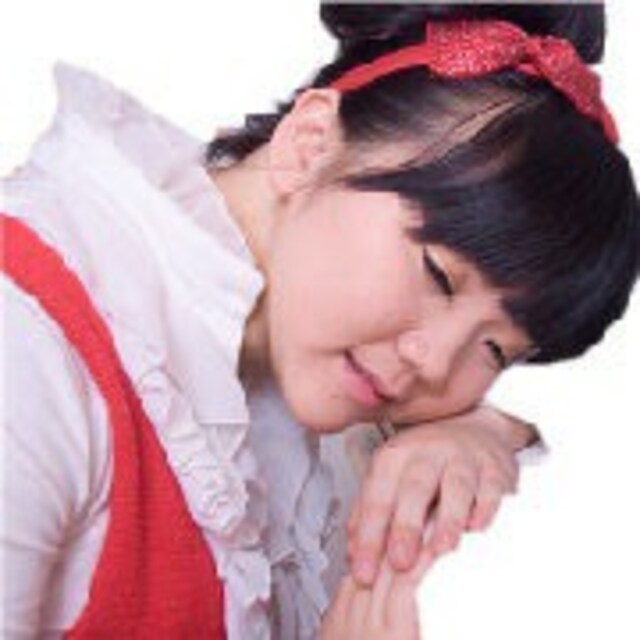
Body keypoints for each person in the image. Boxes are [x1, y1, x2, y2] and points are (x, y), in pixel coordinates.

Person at [2, 3, 639, 640]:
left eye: (496, 351)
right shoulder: (29, 342)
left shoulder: (302, 372)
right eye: (440, 275)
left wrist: (479, 432)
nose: (437, 365)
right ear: (308, 146)